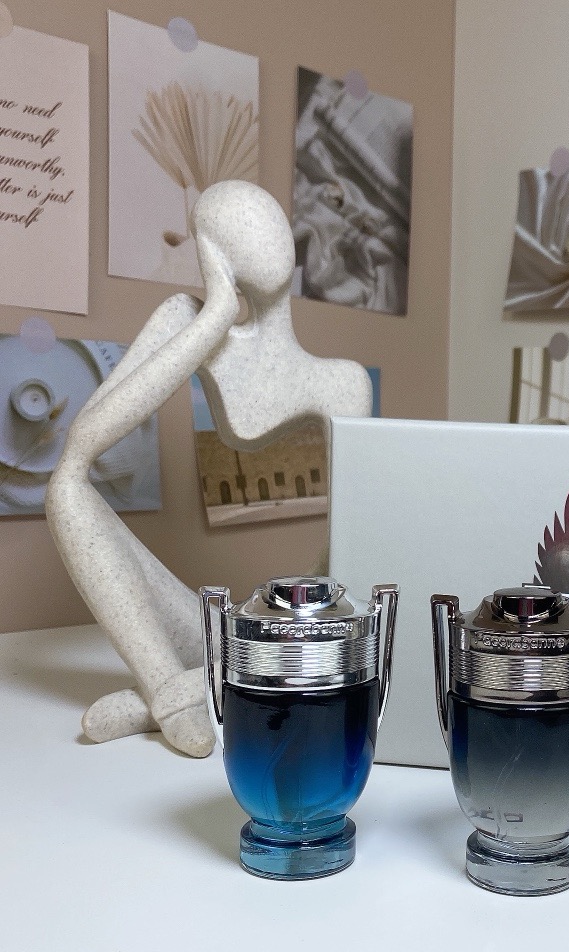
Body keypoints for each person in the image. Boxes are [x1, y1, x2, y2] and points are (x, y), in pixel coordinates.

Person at [46, 181, 373, 756]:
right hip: (213, 631)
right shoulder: (185, 319)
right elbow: (81, 446)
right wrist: (214, 317)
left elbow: (353, 543)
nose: (260, 238)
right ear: (209, 251)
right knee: (64, 490)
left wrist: (277, 628)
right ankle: (172, 692)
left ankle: (173, 694)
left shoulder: (340, 383)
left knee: (305, 615)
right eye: (232, 228)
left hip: (287, 632)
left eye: (266, 220)